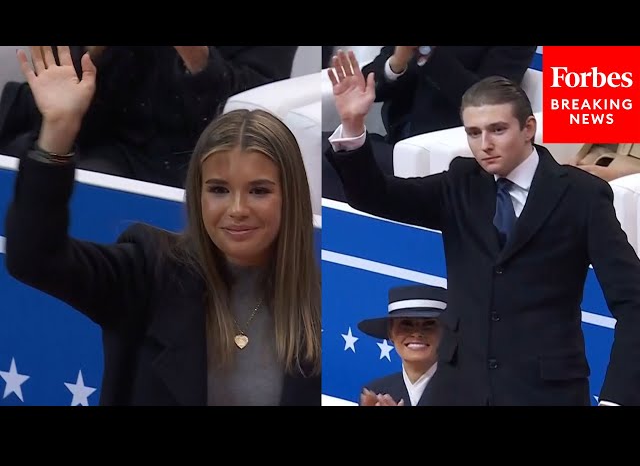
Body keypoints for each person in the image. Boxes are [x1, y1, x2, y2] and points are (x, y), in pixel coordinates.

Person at [4, 46, 321, 406]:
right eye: (218, 189)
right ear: (196, 194)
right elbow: (33, 258)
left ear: (292, 196)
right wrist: (58, 131)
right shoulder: (149, 271)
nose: (237, 209)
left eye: (259, 191)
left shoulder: (324, 299)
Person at [324, 50, 640, 406]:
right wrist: (352, 126)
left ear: (529, 129)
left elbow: (633, 300)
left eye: (497, 129)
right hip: (459, 390)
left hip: (547, 393)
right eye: (473, 132)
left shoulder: (581, 195)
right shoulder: (461, 182)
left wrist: (617, 399)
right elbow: (376, 196)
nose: (484, 144)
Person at [0, 45, 298, 188]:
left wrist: (197, 59)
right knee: (24, 161)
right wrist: (94, 52)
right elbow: (47, 102)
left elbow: (255, 113)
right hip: (105, 140)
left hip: (206, 156)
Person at [322, 46, 537, 201]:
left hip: (443, 157)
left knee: (341, 159)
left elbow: (488, 101)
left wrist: (428, 53)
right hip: (396, 141)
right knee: (325, 148)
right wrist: (397, 63)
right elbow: (374, 86)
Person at [358, 284, 445, 407]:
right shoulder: (376, 391)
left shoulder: (472, 391)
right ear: (390, 332)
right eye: (406, 324)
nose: (417, 333)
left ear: (446, 332)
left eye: (429, 324)